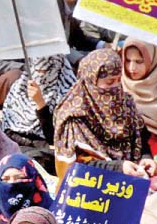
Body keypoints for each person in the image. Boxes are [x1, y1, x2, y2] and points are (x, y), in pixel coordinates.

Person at [53, 49, 144, 179]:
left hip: (132, 179)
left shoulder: (126, 104)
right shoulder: (74, 115)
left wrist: (146, 158)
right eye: (109, 82)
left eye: (119, 80)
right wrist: (118, 167)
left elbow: (142, 139)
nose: (116, 87)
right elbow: (74, 168)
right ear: (91, 81)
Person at [1, 55, 75, 154]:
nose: (40, 76)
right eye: (37, 70)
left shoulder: (68, 95)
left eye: (46, 71)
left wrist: (40, 104)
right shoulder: (19, 89)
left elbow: (56, 139)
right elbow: (8, 129)